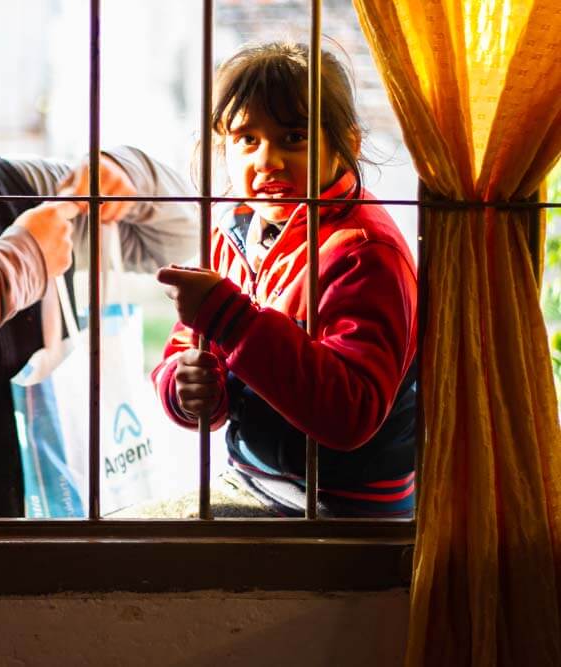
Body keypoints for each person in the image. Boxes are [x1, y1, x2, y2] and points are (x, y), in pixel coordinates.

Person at [0, 41, 199, 517]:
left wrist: (127, 173)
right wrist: (25, 256)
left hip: (59, 509)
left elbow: (185, 237)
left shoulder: (16, 182)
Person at [152, 42, 417, 518]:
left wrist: (232, 320)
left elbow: (351, 413)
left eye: (293, 137)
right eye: (247, 139)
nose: (268, 160)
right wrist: (187, 387)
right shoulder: (233, 229)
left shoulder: (362, 249)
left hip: (345, 502)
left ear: (348, 144)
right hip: (260, 476)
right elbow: (185, 346)